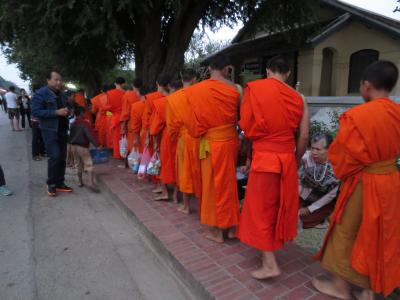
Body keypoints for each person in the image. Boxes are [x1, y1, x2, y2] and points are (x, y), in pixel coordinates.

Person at [312, 61, 400, 300]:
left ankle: (341, 287)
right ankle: (369, 289)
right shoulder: (397, 113)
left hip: (365, 183)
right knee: (379, 234)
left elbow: (342, 158)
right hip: (391, 181)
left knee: (345, 231)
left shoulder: (357, 116)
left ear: (366, 85)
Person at [237, 56, 309, 279]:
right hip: (286, 159)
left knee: (260, 209)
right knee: (279, 206)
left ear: (268, 71)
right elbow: (304, 136)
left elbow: (248, 129)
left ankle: (270, 263)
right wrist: (294, 159)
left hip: (265, 158)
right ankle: (269, 251)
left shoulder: (255, 89)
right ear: (287, 73)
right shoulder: (299, 98)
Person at [182, 56, 241, 243]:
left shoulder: (196, 90)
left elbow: (192, 125)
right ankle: (232, 228)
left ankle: (217, 231)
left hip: (210, 144)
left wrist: (201, 133)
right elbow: (243, 119)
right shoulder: (236, 89)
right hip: (230, 142)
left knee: (212, 186)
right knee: (229, 184)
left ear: (209, 69)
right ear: (226, 69)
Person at [31, 70, 73, 197]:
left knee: (62, 157)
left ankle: (60, 183)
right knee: (55, 156)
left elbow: (67, 107)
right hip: (49, 130)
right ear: (48, 80)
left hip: (62, 129)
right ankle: (51, 184)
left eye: (60, 80)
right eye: (56, 79)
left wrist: (68, 111)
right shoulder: (40, 94)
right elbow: (36, 112)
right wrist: (56, 112)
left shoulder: (62, 94)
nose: (59, 82)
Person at [166, 68, 201, 214]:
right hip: (201, 138)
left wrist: (177, 136)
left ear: (182, 79)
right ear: (194, 79)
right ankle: (202, 206)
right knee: (201, 171)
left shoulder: (173, 98)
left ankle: (186, 206)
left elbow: (171, 127)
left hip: (184, 139)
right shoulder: (202, 94)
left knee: (185, 172)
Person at [298, 133, 339, 229]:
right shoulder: (305, 158)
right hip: (302, 195)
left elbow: (331, 195)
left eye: (318, 149)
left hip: (321, 200)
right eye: (312, 148)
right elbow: (297, 180)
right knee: (289, 215)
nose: (314, 152)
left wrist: (310, 209)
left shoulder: (337, 167)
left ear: (329, 150)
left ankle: (323, 218)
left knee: (305, 220)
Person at [148, 74, 170, 199]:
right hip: (177, 135)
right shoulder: (176, 98)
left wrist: (153, 139)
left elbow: (154, 126)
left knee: (161, 163)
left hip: (163, 136)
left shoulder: (157, 101)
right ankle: (176, 195)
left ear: (158, 84)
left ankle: (165, 192)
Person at [69, 106, 100, 192]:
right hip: (82, 146)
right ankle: (90, 183)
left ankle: (80, 182)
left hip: (73, 146)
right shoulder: (84, 123)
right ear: (81, 113)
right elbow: (90, 135)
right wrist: (97, 144)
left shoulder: (73, 123)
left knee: (77, 164)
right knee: (88, 164)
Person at [106, 77, 126, 159]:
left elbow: (108, 107)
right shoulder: (126, 93)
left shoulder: (109, 93)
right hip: (124, 118)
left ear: (115, 83)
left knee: (116, 137)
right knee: (124, 137)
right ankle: (124, 154)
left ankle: (117, 155)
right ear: (124, 84)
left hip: (115, 117)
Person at [120, 79, 141, 151]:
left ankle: (133, 159)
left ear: (132, 85)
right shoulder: (145, 95)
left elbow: (125, 113)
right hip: (143, 123)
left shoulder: (128, 95)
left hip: (132, 122)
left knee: (132, 143)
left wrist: (122, 126)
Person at [129, 85, 148, 154]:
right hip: (154, 133)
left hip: (143, 134)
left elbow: (135, 125)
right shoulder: (155, 103)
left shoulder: (136, 106)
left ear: (138, 93)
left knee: (143, 154)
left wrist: (136, 138)